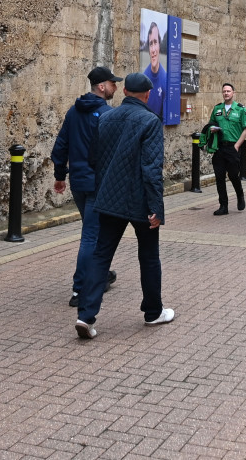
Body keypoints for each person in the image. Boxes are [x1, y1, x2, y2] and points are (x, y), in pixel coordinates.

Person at [74, 73, 174, 339]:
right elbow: (152, 169)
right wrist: (157, 208)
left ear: (126, 91)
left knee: (100, 255)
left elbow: (94, 158)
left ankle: (86, 315)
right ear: (147, 95)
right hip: (140, 200)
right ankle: (153, 312)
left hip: (109, 197)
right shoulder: (150, 121)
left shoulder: (105, 118)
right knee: (149, 256)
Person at [52, 66, 121, 307]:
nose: (115, 87)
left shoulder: (73, 112)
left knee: (94, 231)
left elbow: (60, 146)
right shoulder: (107, 114)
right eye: (113, 84)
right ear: (101, 87)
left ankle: (100, 274)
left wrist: (60, 175)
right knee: (91, 235)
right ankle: (80, 289)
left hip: (78, 183)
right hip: (97, 183)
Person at [204, 83, 246, 215]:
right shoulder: (217, 108)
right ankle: (223, 206)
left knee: (233, 175)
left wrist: (237, 145)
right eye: (224, 91)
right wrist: (212, 129)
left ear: (233, 93)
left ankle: (240, 195)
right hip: (219, 148)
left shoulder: (240, 109)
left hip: (233, 147)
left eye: (228, 91)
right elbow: (211, 123)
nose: (226, 93)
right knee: (219, 176)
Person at [143, 21, 166, 116]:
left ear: (159, 46)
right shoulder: (144, 79)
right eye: (150, 44)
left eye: (155, 42)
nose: (153, 50)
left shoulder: (166, 79)